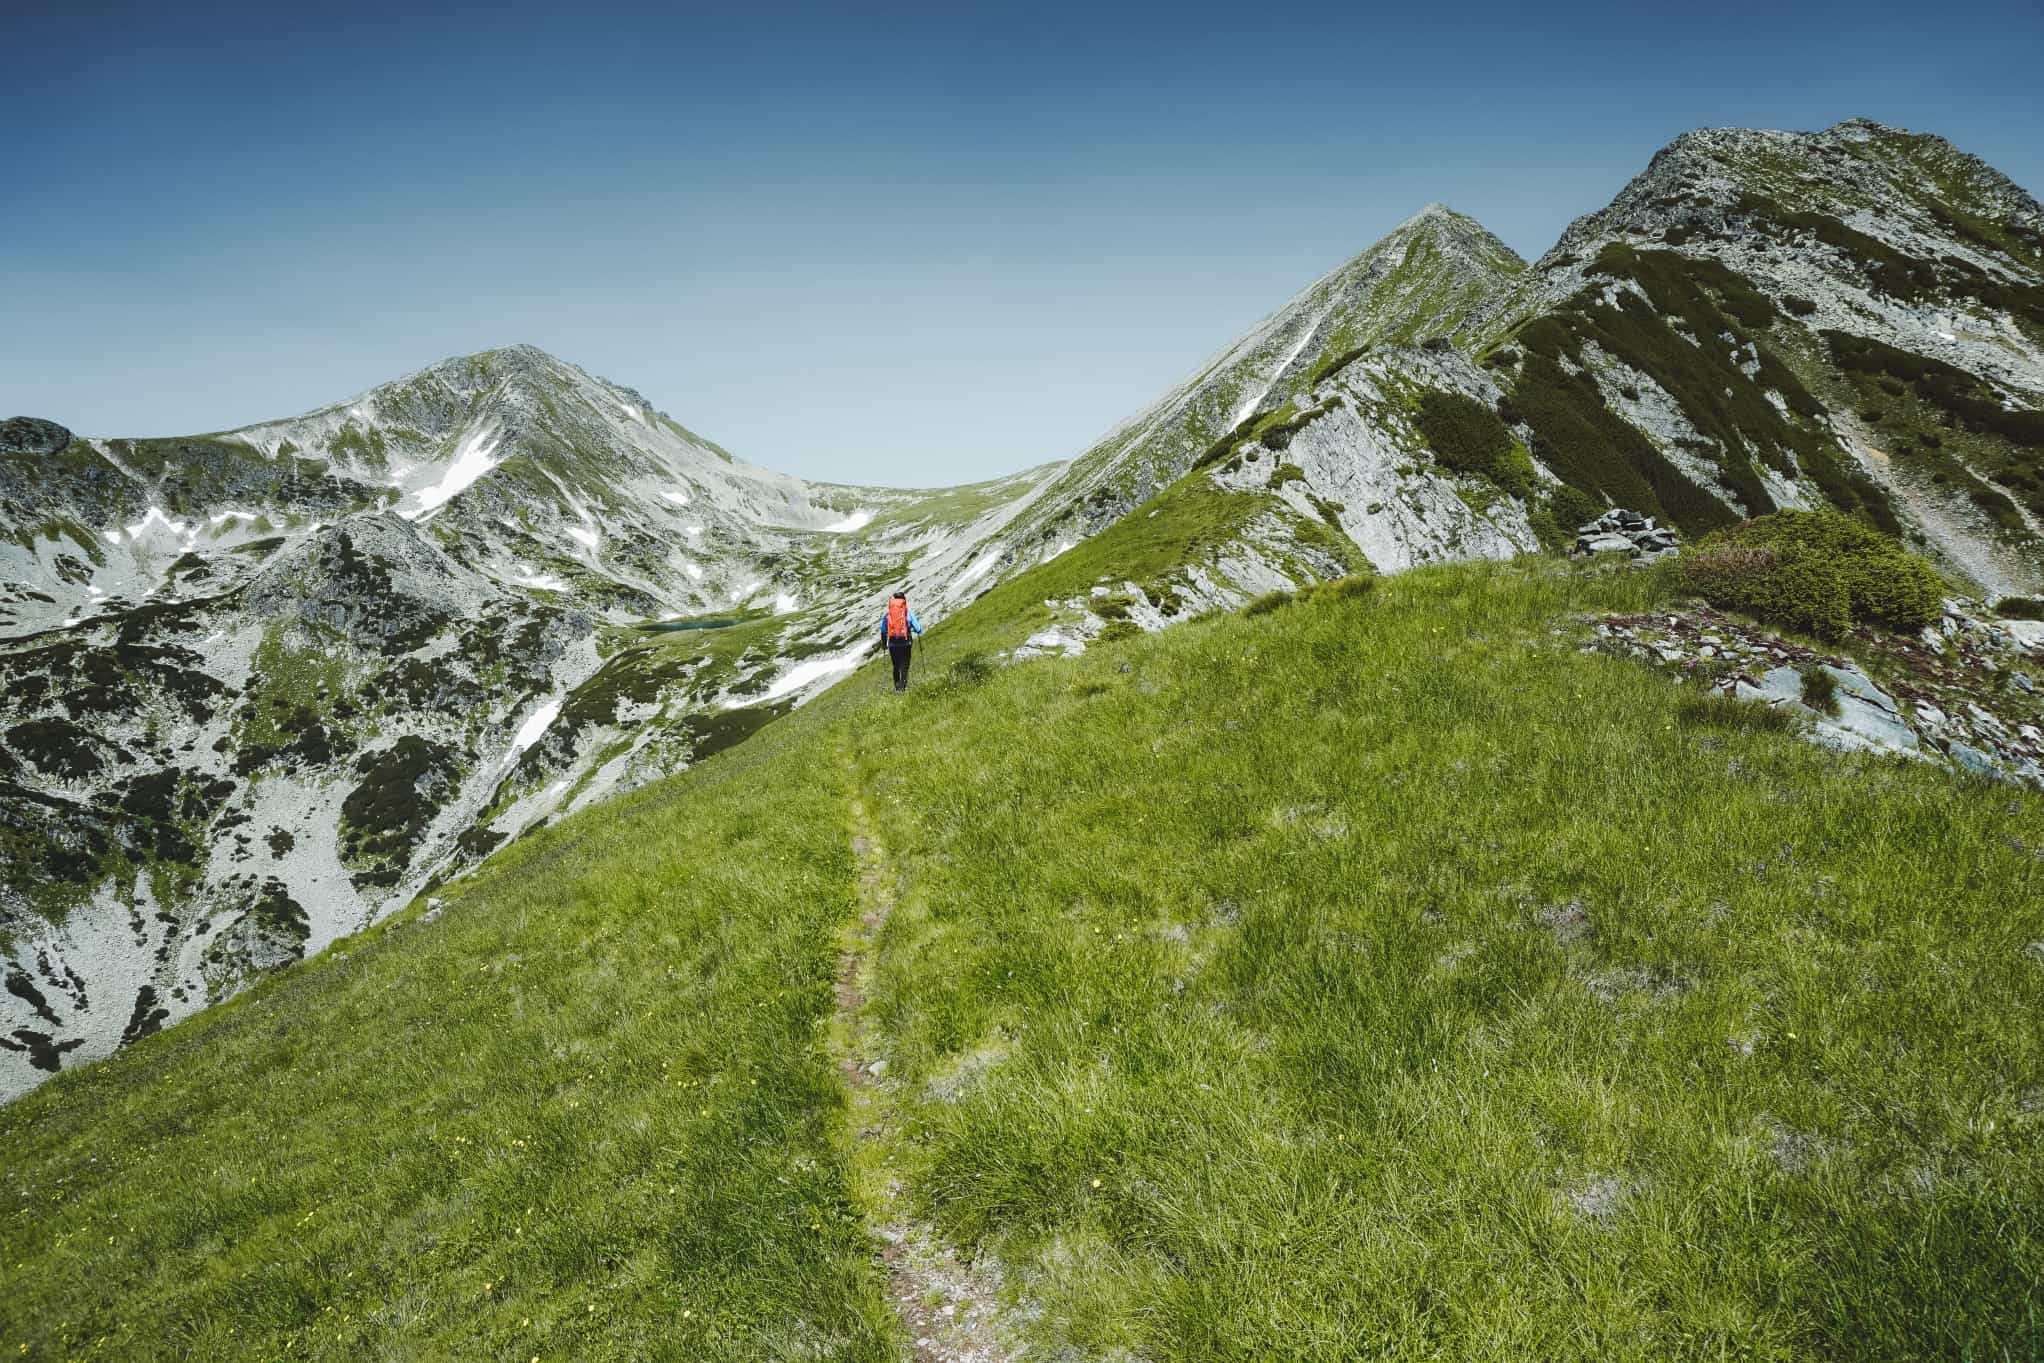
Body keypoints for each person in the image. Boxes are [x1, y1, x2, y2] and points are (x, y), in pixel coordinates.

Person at [878, 590, 923, 692]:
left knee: (896, 666)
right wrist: (917, 631)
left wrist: (884, 644)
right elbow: (918, 628)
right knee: (904, 665)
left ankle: (897, 687)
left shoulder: (888, 614)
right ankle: (903, 688)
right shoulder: (908, 612)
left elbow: (883, 630)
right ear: (904, 600)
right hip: (906, 643)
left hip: (893, 645)